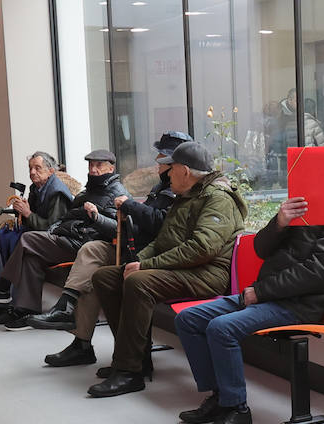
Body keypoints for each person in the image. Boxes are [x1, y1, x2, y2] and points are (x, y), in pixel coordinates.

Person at [174, 197, 324, 424]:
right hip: (265, 294)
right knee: (189, 319)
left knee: (222, 328)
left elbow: (320, 272)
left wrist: (261, 292)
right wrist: (280, 222)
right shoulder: (300, 208)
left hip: (299, 304)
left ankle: (237, 410)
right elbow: (261, 249)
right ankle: (220, 397)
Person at [86, 141, 247, 398]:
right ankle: (135, 358)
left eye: (170, 169)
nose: (166, 174)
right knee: (106, 277)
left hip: (208, 274)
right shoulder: (187, 196)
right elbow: (163, 241)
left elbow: (202, 248)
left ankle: (130, 371)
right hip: (184, 269)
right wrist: (136, 261)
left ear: (184, 170)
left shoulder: (217, 199)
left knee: (139, 282)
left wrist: (146, 266)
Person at [41, 132, 191, 367]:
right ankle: (79, 335)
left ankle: (122, 354)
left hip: (147, 253)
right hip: (132, 247)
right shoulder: (162, 186)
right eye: (90, 165)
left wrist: (126, 207)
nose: (157, 161)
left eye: (162, 157)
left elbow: (160, 224)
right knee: (94, 268)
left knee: (97, 265)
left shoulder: (176, 191)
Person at [0, 150, 129, 330]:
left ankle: (2, 287)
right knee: (31, 257)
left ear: (111, 167)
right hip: (70, 237)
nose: (93, 170)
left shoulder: (116, 193)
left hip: (84, 243)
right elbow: (66, 217)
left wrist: (95, 218)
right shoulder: (89, 190)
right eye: (91, 165)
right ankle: (25, 310)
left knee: (27, 239)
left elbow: (118, 229)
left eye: (99, 165)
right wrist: (57, 227)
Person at [0, 151, 73, 309]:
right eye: (30, 168)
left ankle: (2, 291)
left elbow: (52, 228)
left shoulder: (57, 192)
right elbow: (31, 219)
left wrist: (27, 213)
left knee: (17, 242)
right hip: (38, 235)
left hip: (55, 241)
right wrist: (22, 211)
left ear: (51, 171)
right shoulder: (36, 188)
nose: (32, 172)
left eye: (37, 168)